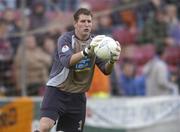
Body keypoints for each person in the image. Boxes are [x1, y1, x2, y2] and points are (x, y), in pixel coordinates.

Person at [39, 8, 121, 132]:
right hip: (57, 91)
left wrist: (112, 60)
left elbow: (106, 70)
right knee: (45, 127)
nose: (86, 24)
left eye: (89, 21)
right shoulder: (65, 39)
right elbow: (67, 62)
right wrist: (86, 51)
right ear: (75, 23)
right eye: (83, 21)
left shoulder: (96, 44)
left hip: (78, 97)